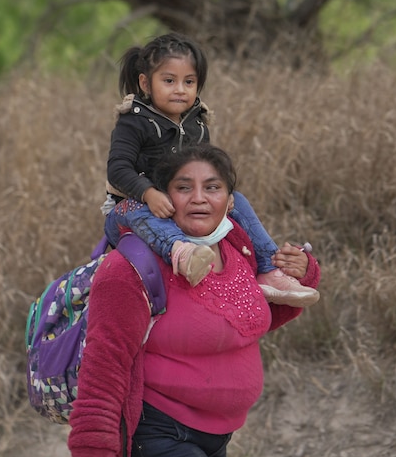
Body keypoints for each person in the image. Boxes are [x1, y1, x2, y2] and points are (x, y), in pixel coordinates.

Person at [68, 145, 321, 457]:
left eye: (213, 187)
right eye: (183, 187)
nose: (199, 198)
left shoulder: (236, 248)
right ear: (159, 199)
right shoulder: (131, 266)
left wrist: (301, 271)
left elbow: (250, 322)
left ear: (231, 200)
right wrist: (91, 443)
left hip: (219, 433)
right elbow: (106, 357)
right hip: (159, 433)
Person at [103, 32, 319, 308]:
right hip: (131, 206)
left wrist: (224, 190)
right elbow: (117, 169)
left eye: (189, 82)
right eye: (169, 81)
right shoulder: (133, 122)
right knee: (138, 212)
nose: (180, 89)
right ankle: (182, 252)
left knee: (237, 201)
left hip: (180, 199)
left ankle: (268, 266)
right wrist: (147, 193)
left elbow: (208, 165)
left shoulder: (197, 122)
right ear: (146, 83)